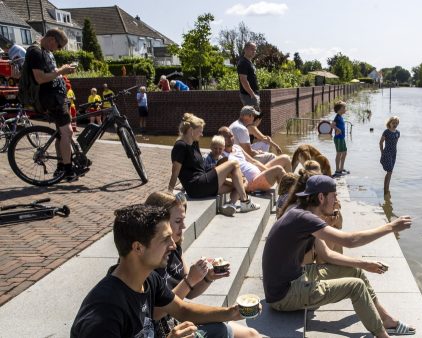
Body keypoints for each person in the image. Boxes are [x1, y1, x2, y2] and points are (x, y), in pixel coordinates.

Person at [262, 175, 416, 337]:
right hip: (284, 295)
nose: (336, 200)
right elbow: (350, 240)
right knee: (355, 286)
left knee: (355, 272)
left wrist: (363, 264)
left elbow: (326, 254)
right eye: (334, 196)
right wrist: (390, 227)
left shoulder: (302, 212)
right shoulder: (304, 218)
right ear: (321, 197)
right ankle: (382, 335)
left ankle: (386, 319)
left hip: (295, 277)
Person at [71, 204, 255, 337]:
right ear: (138, 248)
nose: (173, 245)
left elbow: (183, 309)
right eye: (165, 239)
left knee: (233, 332)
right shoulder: (104, 313)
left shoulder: (148, 279)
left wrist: (230, 312)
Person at [144, 192, 262, 338]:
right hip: (168, 331)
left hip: (179, 322)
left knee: (252, 333)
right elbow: (158, 311)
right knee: (232, 332)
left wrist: (207, 278)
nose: (184, 226)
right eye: (178, 221)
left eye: (184, 220)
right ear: (159, 224)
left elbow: (189, 294)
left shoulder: (175, 248)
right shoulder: (147, 265)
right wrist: (190, 280)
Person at [168, 113, 260, 215]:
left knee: (243, 183)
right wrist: (170, 191)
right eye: (200, 132)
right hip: (196, 186)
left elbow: (199, 168)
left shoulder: (194, 143)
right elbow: (175, 171)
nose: (202, 135)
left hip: (203, 182)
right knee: (234, 163)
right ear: (191, 131)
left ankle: (231, 205)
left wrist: (227, 180)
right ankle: (245, 202)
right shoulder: (180, 146)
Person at [25, 28, 77, 181]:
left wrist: (63, 70)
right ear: (52, 40)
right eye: (59, 46)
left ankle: (61, 166)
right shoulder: (35, 52)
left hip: (57, 97)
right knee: (67, 132)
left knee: (62, 134)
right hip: (50, 99)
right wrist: (61, 71)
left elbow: (52, 72)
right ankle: (68, 170)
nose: (58, 49)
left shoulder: (46, 51)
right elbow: (40, 78)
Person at [218, 126, 291, 193]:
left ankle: (291, 186)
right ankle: (287, 197)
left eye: (231, 135)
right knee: (278, 169)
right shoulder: (222, 155)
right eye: (227, 137)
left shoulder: (237, 147)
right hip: (251, 182)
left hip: (259, 174)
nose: (230, 138)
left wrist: (266, 171)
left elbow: (253, 161)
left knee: (285, 158)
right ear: (220, 139)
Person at [379, 116, 400, 195]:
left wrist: (393, 152)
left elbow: (395, 143)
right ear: (390, 123)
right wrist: (382, 152)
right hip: (387, 152)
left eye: (396, 123)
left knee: (390, 172)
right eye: (393, 123)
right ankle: (385, 189)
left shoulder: (398, 133)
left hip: (394, 153)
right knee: (389, 171)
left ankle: (387, 188)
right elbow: (381, 142)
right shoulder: (386, 132)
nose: (395, 124)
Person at [237, 42, 259, 108]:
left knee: (254, 117)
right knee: (251, 117)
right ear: (245, 50)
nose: (254, 51)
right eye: (252, 49)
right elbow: (243, 80)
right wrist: (252, 94)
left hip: (252, 95)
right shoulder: (243, 63)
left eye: (255, 50)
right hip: (248, 96)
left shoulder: (249, 62)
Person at [331, 101, 349, 178]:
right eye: (344, 108)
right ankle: (337, 170)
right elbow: (332, 125)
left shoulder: (340, 117)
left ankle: (341, 168)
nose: (345, 109)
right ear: (339, 110)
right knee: (339, 153)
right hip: (338, 138)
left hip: (342, 138)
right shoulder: (337, 117)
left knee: (344, 153)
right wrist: (337, 129)